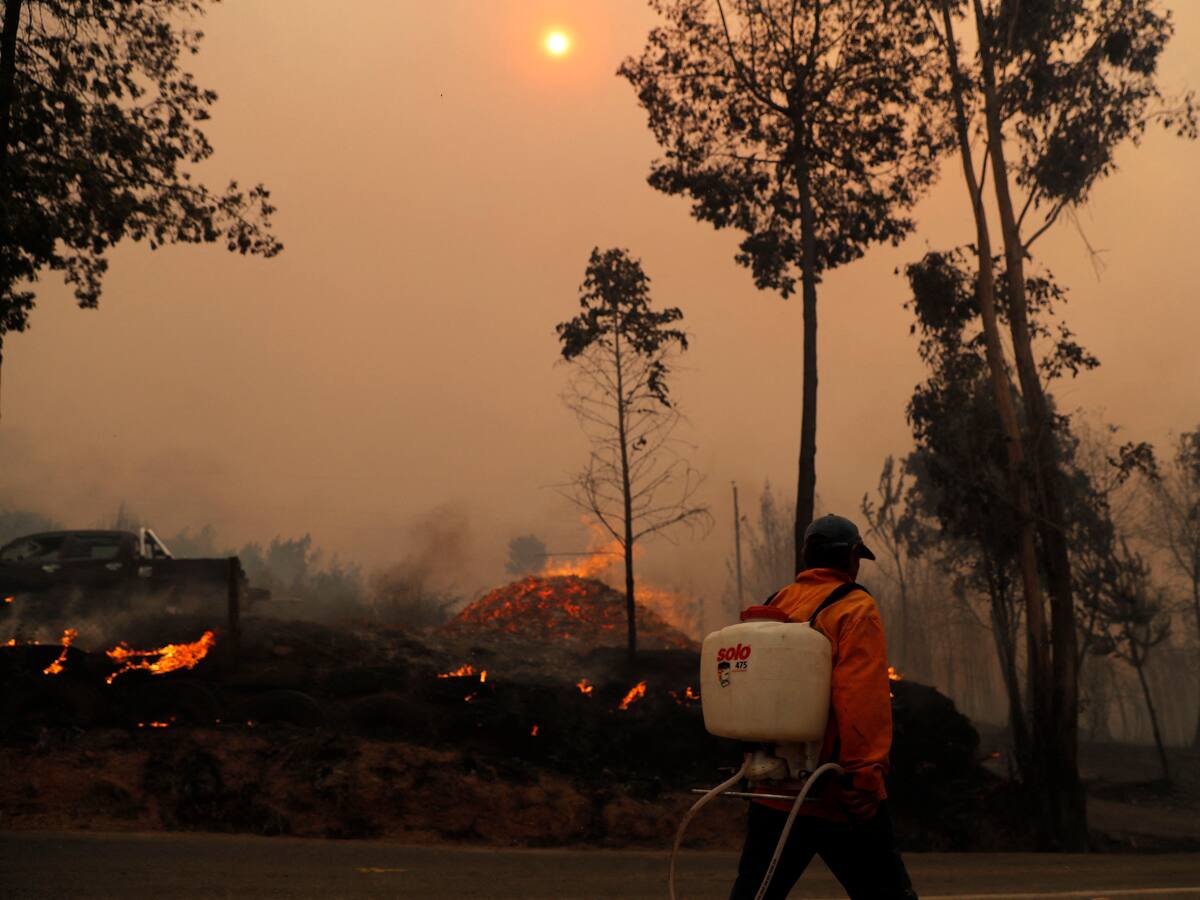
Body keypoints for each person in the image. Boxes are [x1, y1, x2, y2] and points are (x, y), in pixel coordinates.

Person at [727, 514, 917, 900]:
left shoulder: (775, 603)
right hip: (836, 791)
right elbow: (861, 697)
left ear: (807, 557)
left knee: (753, 895)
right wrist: (865, 775)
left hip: (775, 786)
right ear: (851, 557)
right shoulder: (854, 607)